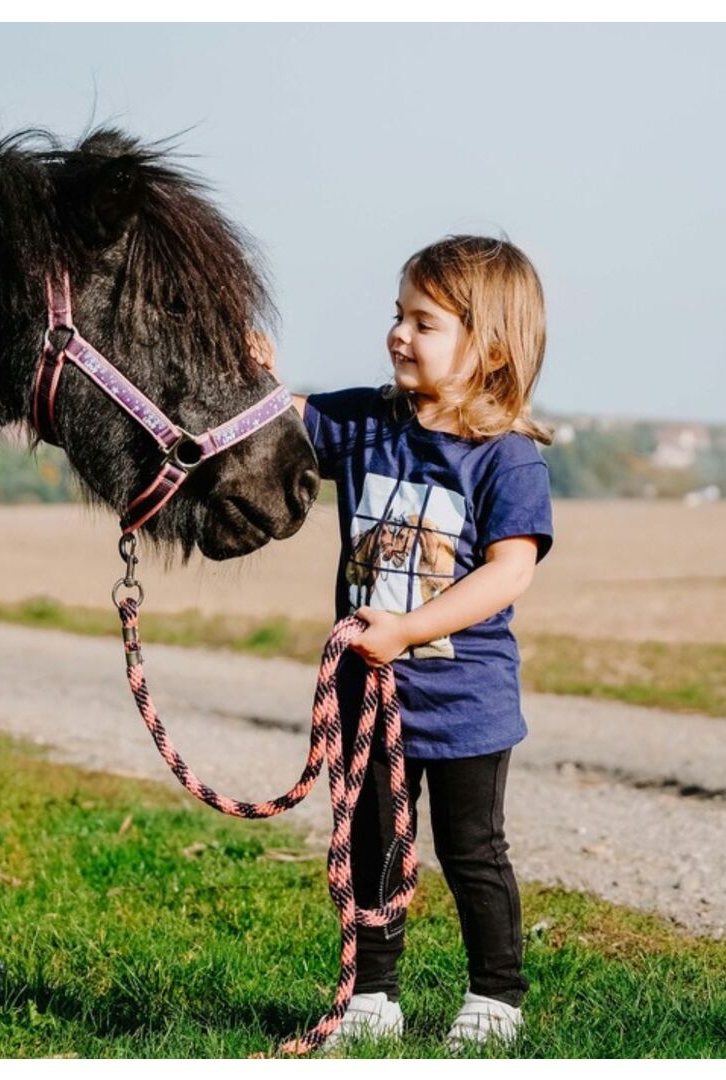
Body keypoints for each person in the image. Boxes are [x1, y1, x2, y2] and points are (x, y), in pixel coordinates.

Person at [252, 234, 554, 1054]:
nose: (398, 334)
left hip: (465, 705)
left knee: (472, 852)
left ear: (486, 347)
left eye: (424, 322)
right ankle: (371, 994)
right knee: (375, 844)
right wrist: (255, 374)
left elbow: (509, 572)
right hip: (366, 698)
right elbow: (281, 423)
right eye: (398, 316)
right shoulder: (365, 424)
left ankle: (496, 996)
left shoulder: (505, 458)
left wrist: (410, 630)